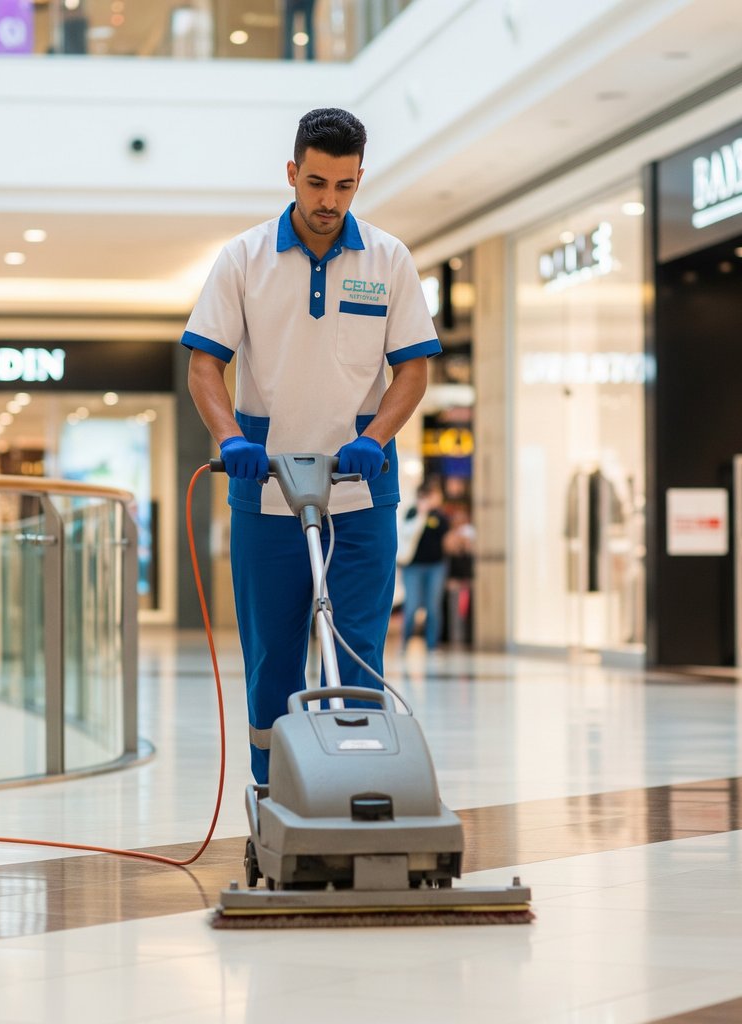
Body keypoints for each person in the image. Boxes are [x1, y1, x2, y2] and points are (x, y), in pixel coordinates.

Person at [182, 107, 440, 783]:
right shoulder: (244, 259)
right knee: (272, 659)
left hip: (361, 493)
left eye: (345, 186)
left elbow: (413, 368)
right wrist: (230, 437)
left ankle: (356, 790)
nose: (329, 201)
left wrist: (377, 437)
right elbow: (205, 363)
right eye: (318, 182)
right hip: (264, 490)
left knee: (355, 653)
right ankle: (274, 796)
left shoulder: (388, 259)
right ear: (293, 173)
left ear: (360, 180)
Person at [398, 477, 451, 651]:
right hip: (412, 567)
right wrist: (421, 514)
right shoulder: (412, 512)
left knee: (433, 606)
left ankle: (431, 645)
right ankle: (405, 642)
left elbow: (447, 539)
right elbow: (405, 533)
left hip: (436, 566)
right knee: (412, 605)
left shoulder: (441, 516)